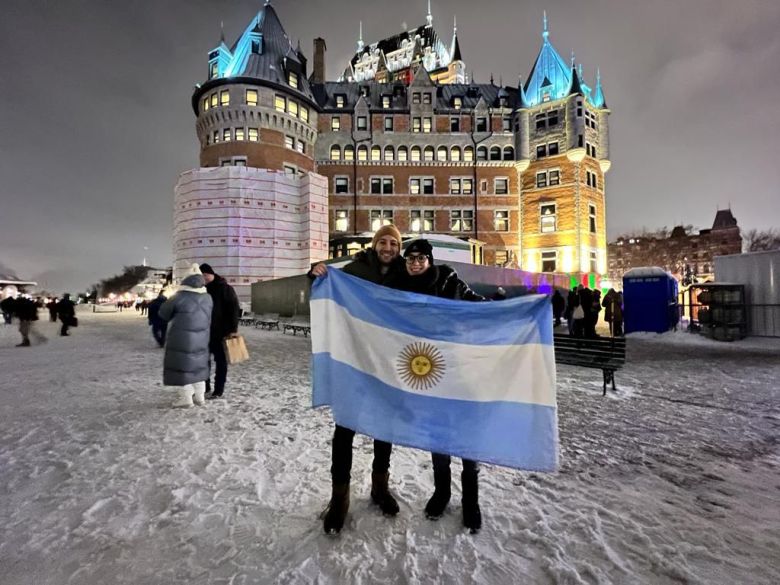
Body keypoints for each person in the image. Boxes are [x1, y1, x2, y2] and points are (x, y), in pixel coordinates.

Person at [309, 224, 406, 535]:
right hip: (354, 361)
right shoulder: (355, 269)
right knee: (345, 428)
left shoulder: (405, 273)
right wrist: (316, 273)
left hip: (389, 362)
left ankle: (380, 487)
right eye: (383, 242)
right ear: (374, 244)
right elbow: (328, 286)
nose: (388, 247)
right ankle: (339, 498)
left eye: (393, 242)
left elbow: (430, 291)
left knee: (384, 428)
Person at [386, 239, 487, 533]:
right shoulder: (402, 289)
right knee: (438, 433)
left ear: (430, 260)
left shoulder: (449, 282)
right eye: (410, 258)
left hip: (458, 367)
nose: (415, 262)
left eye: (420, 258)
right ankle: (442, 492)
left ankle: (471, 500)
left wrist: (515, 307)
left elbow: (476, 305)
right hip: (428, 372)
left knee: (467, 433)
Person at [158, 264, 213, 408]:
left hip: (181, 338)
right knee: (198, 366)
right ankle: (200, 398)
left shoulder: (179, 297)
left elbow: (163, 314)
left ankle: (186, 399)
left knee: (183, 367)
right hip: (201, 337)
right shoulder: (208, 297)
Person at [198, 263, 240, 400]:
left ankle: (218, 390)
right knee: (203, 362)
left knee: (221, 362)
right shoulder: (200, 290)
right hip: (203, 333)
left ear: (212, 274)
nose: (204, 278)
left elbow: (233, 309)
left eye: (205, 275)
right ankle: (205, 387)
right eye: (201, 276)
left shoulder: (225, 288)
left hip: (221, 332)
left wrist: (233, 329)